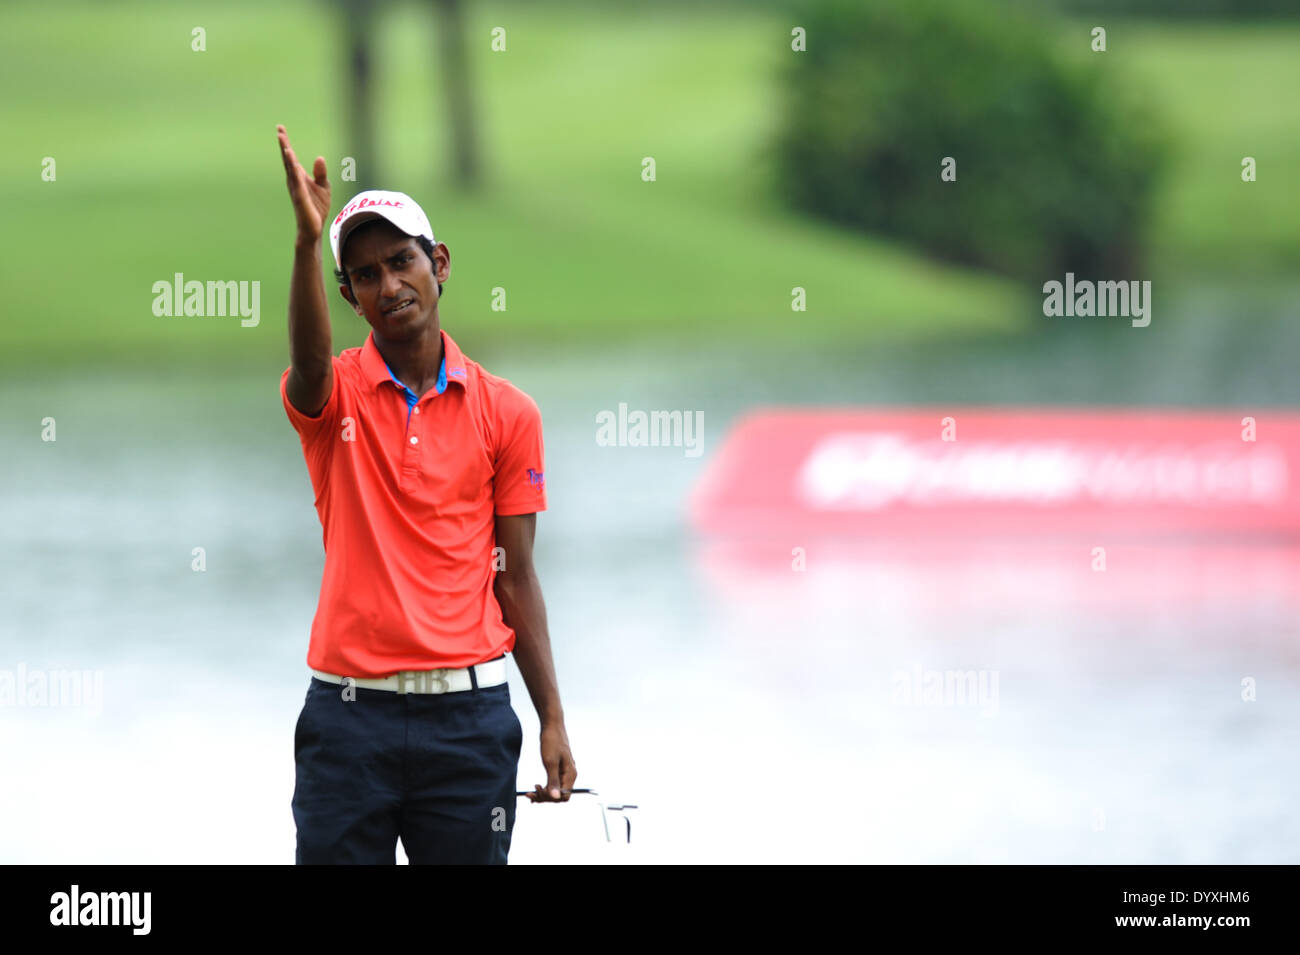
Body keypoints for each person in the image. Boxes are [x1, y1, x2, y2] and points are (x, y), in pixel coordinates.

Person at [275, 124, 577, 864]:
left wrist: (552, 718)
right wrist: (308, 247)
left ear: (437, 264)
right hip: (346, 720)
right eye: (366, 274)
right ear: (348, 294)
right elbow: (308, 364)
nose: (389, 285)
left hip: (468, 718)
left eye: (402, 261)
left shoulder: (508, 412)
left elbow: (518, 574)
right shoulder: (336, 395)